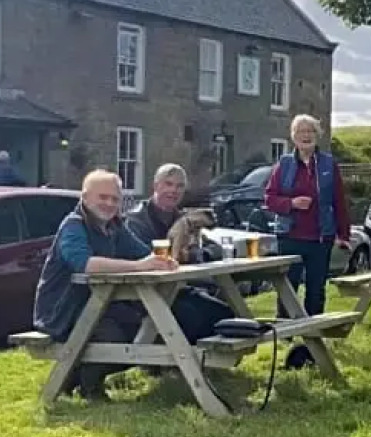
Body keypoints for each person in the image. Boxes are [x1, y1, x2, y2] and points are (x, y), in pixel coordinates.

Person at [32, 169, 234, 399]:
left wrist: (163, 261)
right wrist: (140, 266)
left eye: (115, 199)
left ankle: (76, 378)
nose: (109, 204)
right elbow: (85, 264)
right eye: (103, 197)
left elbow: (143, 253)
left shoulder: (115, 226)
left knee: (148, 329)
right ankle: (87, 383)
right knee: (121, 335)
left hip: (101, 302)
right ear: (85, 198)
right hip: (63, 311)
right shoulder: (74, 225)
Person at [263, 114, 351, 368]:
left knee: (316, 288)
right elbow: (269, 199)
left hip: (320, 237)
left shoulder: (328, 164)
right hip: (290, 236)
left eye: (310, 131)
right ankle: (285, 334)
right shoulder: (284, 164)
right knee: (287, 287)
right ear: (293, 136)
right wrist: (291, 203)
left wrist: (343, 235)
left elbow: (339, 202)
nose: (305, 135)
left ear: (317, 135)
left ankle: (313, 336)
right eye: (301, 131)